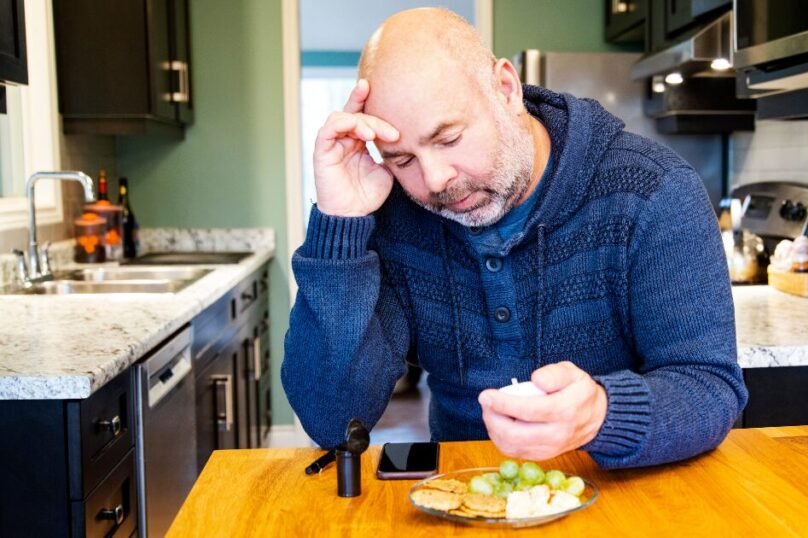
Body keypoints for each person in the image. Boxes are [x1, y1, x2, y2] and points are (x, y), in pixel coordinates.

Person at [282, 7, 747, 470]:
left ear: (505, 88)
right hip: (463, 495)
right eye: (402, 160)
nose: (436, 180)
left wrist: (602, 415)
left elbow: (710, 388)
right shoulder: (396, 217)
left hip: (620, 492)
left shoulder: (655, 191)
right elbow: (331, 420)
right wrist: (338, 225)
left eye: (448, 139)